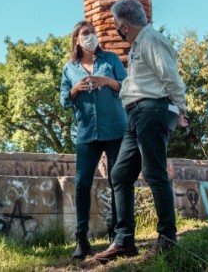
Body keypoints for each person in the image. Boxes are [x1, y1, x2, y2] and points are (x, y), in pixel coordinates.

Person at [93, 0, 188, 263]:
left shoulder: (151, 40)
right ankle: (124, 241)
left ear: (123, 26)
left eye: (115, 26)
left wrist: (180, 110)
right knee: (120, 174)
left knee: (154, 173)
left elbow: (171, 78)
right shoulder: (138, 46)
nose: (116, 30)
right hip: (136, 116)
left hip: (153, 111)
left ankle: (167, 239)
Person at [59, 20, 128, 260]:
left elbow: (128, 87)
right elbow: (63, 101)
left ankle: (117, 236)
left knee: (116, 180)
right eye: (85, 33)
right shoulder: (69, 69)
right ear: (77, 40)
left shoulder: (110, 60)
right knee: (81, 183)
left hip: (116, 128)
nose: (91, 36)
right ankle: (82, 239)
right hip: (87, 132)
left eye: (93, 32)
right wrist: (75, 89)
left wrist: (107, 81)